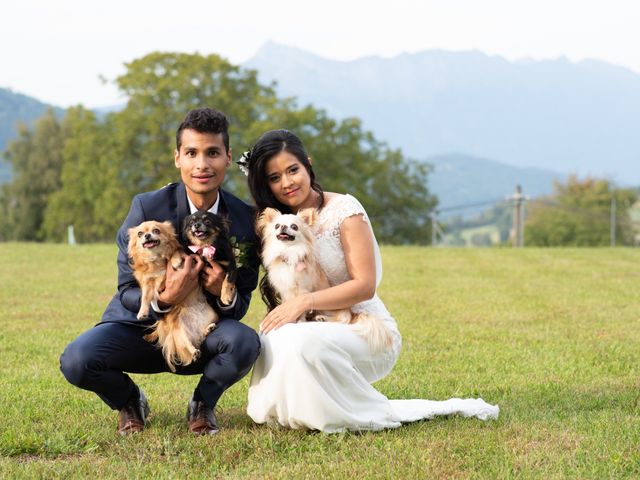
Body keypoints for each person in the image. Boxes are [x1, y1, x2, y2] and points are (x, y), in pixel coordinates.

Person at [241, 129, 499, 432]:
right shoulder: (279, 223)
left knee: (298, 340)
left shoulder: (344, 211)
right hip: (314, 323)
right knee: (274, 337)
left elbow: (365, 285)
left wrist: (304, 302)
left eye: (293, 170)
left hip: (364, 328)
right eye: (274, 178)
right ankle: (293, 412)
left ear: (308, 164)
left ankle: (333, 414)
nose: (287, 183)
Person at [60, 108, 261, 436]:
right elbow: (127, 288)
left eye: (212, 153)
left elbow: (240, 303)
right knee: (77, 360)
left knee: (245, 342)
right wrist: (167, 297)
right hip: (140, 327)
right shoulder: (146, 207)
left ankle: (203, 403)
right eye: (191, 153)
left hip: (201, 331)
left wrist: (220, 288)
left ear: (227, 157)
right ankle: (129, 401)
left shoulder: (244, 220)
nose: (202, 165)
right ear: (177, 157)